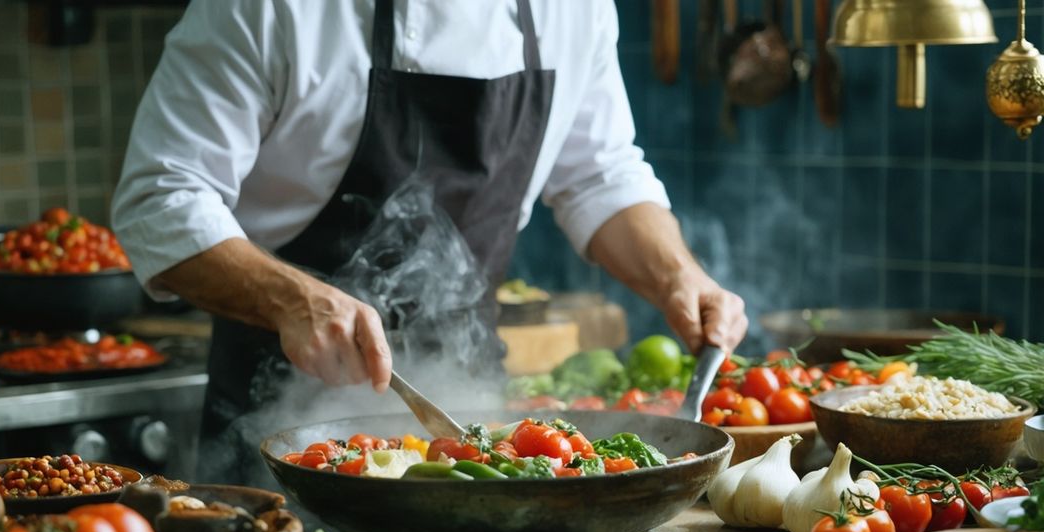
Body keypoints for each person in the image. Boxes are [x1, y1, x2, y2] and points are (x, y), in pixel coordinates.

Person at [112, 0, 748, 484]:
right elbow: (159, 198)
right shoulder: (273, 9)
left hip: (470, 414)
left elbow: (597, 173)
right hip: (281, 425)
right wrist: (291, 299)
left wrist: (677, 276)